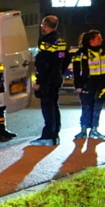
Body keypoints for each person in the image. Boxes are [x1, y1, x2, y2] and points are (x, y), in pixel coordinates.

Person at [30, 15, 69, 146]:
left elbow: (44, 62)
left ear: (45, 25)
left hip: (47, 79)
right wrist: (58, 72)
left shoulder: (46, 41)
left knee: (47, 107)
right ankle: (55, 134)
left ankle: (47, 136)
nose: (42, 27)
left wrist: (39, 81)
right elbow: (65, 59)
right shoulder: (61, 41)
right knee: (53, 105)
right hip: (56, 76)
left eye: (42, 25)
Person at [71, 29, 105, 140]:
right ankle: (83, 130)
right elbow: (76, 71)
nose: (101, 40)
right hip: (87, 84)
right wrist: (78, 85)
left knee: (97, 107)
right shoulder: (80, 53)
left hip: (101, 84)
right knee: (87, 107)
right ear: (91, 40)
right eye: (99, 38)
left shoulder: (104, 51)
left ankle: (94, 130)